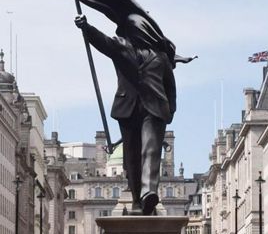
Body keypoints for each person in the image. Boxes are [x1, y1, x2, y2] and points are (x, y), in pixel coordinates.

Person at [75, 14, 193, 215]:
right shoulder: (120, 48)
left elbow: (170, 86)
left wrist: (170, 110)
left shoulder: (161, 57)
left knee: (151, 150)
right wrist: (86, 27)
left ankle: (149, 193)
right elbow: (102, 42)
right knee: (132, 156)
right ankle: (137, 200)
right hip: (128, 108)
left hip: (154, 108)